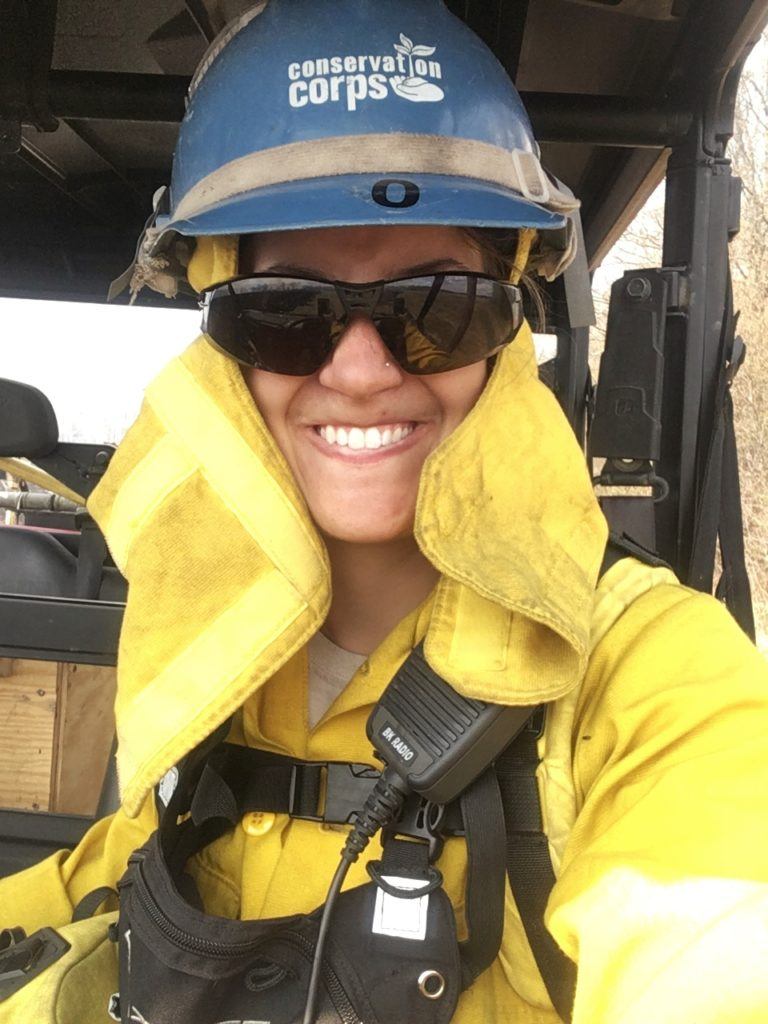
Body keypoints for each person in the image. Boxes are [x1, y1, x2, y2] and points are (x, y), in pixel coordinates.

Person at [2, 1, 768, 1022]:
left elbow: (714, 936)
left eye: (436, 304)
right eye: (282, 312)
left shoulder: (655, 678)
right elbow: (113, 875)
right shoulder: (203, 654)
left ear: (507, 329)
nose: (359, 372)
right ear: (217, 342)